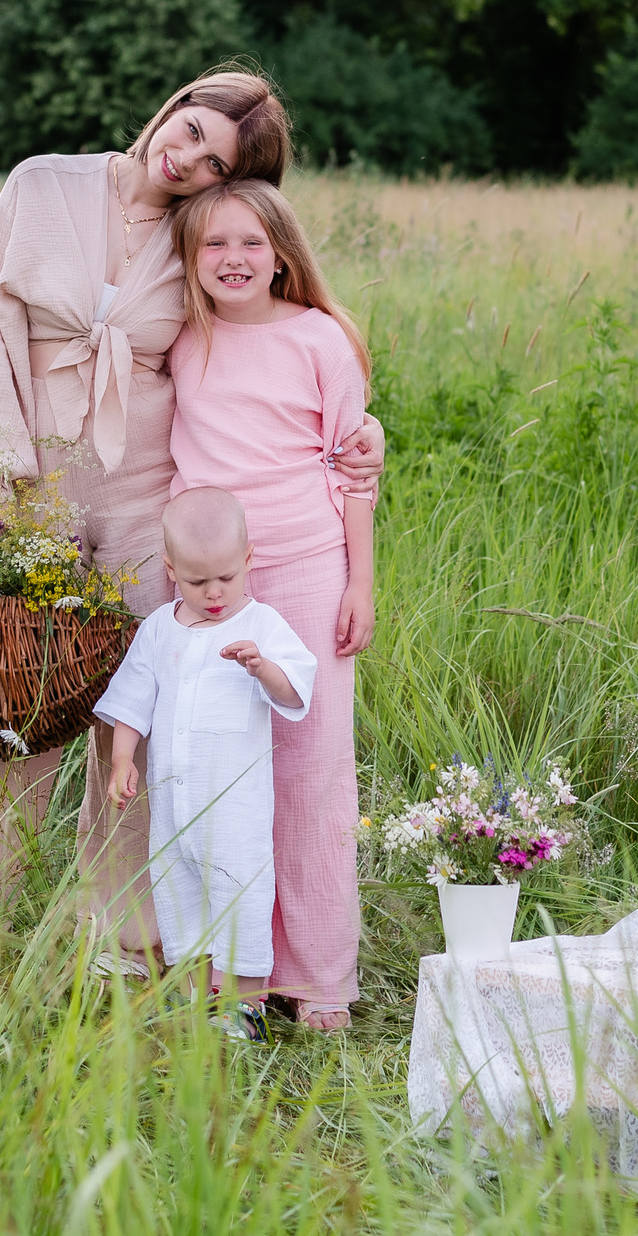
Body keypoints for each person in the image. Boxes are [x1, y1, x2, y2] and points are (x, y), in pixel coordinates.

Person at [0, 67, 386, 964]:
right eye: (194, 128)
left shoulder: (199, 236)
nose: (189, 156)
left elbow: (270, 344)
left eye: (215, 162)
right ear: (176, 104)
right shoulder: (41, 184)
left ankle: (122, 940)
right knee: (6, 696)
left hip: (144, 490)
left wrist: (361, 433)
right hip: (32, 487)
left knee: (142, 709)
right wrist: (6, 491)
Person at [164, 177, 375, 1032]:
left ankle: (318, 973)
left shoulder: (321, 338)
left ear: (282, 251)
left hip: (306, 564)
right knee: (214, 770)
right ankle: (225, 963)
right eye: (214, 244)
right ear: (191, 257)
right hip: (211, 581)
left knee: (312, 767)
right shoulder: (182, 338)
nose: (234, 259)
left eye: (251, 242)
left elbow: (356, 469)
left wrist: (361, 580)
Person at [93, 488, 318, 1041]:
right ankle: (195, 1004)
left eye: (225, 578)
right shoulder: (159, 631)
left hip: (234, 809)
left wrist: (261, 668)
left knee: (240, 895)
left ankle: (243, 1013)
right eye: (197, 583)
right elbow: (132, 701)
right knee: (180, 896)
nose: (214, 594)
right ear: (171, 571)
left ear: (247, 560)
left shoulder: (261, 624)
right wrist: (123, 758)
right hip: (175, 805)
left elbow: (295, 691)